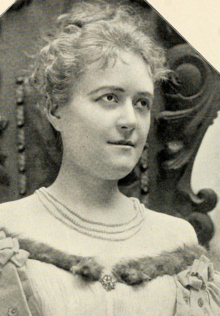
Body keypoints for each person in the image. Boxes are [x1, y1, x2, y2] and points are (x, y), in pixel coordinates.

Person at [0, 1, 220, 315]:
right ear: (54, 109)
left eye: (142, 103)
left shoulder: (178, 240)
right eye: (109, 98)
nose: (130, 119)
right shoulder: (6, 230)